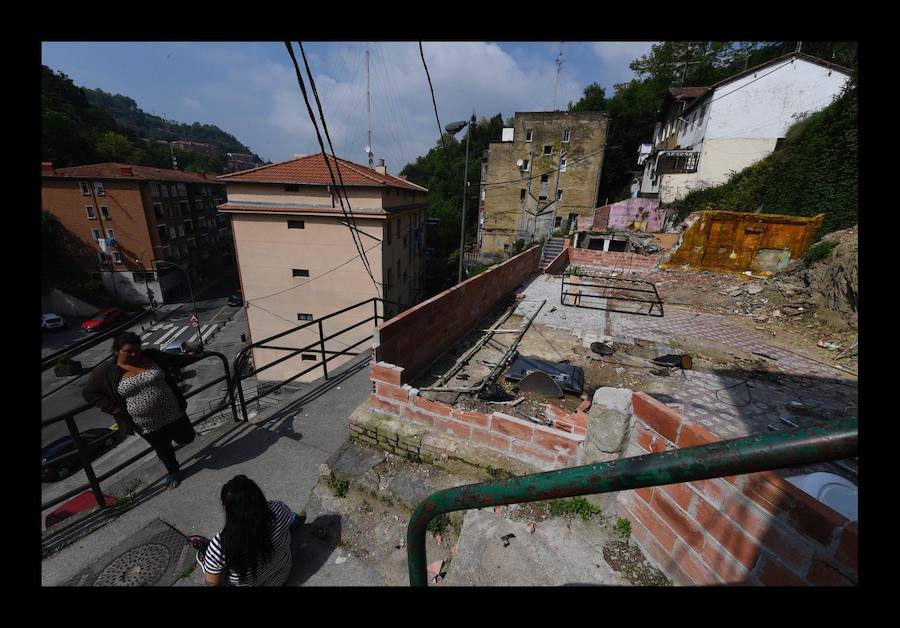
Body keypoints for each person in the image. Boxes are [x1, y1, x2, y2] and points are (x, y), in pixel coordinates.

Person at [82, 331, 203, 488]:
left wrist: (198, 356)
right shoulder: (106, 371)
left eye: (137, 350)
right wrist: (113, 408)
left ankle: (172, 440)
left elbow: (176, 360)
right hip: (145, 423)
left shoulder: (151, 356)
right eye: (129, 351)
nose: (134, 354)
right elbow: (89, 393)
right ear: (117, 351)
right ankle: (173, 471)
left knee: (187, 438)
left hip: (173, 411)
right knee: (163, 449)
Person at [188, 475, 302, 587]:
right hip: (282, 576)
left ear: (227, 508)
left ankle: (205, 556)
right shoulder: (279, 509)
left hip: (224, 556)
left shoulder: (221, 545)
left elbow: (212, 584)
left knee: (212, 560)